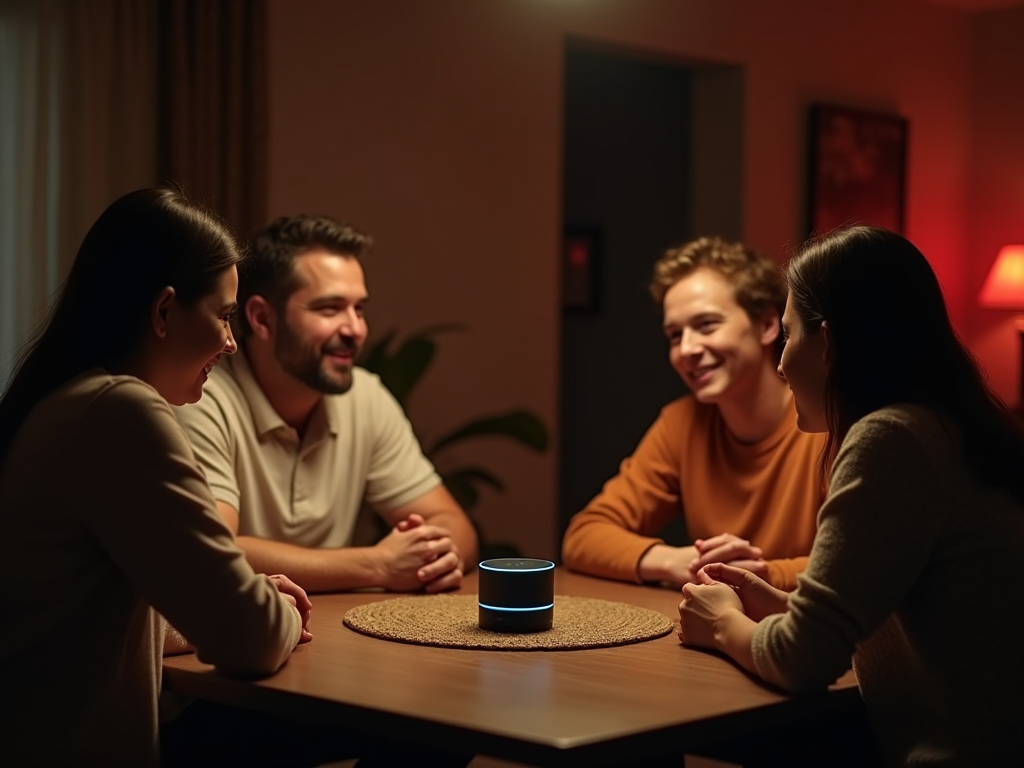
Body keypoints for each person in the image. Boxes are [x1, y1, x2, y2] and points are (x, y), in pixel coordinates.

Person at [678, 226, 1024, 766]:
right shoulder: (946, 426)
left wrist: (723, 622)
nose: (780, 362)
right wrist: (787, 607)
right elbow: (905, 614)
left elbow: (803, 662)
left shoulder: (890, 440)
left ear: (829, 343)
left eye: (789, 336)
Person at [0, 188, 311, 767]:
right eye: (221, 315)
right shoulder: (120, 411)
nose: (230, 341)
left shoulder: (65, 403)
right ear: (164, 311)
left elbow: (87, 616)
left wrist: (226, 604)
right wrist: (280, 613)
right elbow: (253, 642)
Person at [173, 214, 478, 593]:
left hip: (338, 632)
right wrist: (378, 565)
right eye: (330, 308)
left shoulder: (365, 397)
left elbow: (455, 525)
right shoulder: (200, 398)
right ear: (262, 318)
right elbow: (213, 550)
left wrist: (435, 554)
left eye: (359, 309)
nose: (356, 330)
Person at [562, 236, 826, 591]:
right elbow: (583, 536)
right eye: (674, 335)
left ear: (767, 326)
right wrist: (677, 561)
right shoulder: (682, 424)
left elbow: (861, 561)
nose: (687, 349)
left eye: (706, 325)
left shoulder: (827, 424)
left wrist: (760, 576)